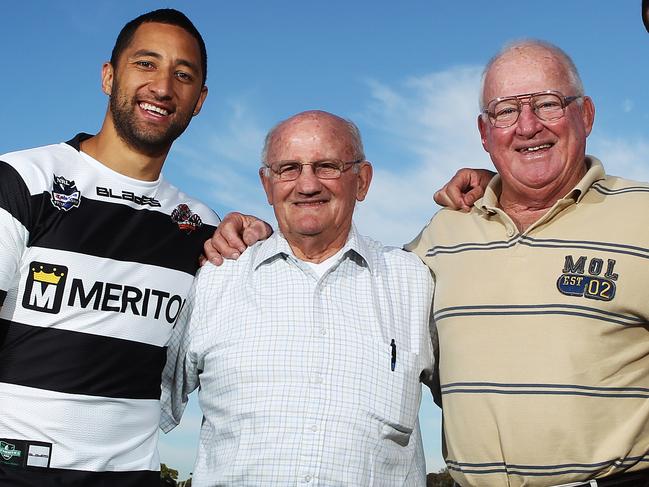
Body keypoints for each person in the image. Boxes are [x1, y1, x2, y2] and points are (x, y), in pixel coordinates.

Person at [407, 40, 649, 486]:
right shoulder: (442, 234)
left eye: (548, 104)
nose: (528, 126)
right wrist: (246, 237)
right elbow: (356, 298)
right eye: (505, 111)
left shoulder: (643, 215)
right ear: (485, 133)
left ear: (587, 115)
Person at [0, 9, 220, 486]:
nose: (162, 87)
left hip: (131, 476)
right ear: (108, 75)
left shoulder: (202, 227)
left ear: (198, 100)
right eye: (146, 64)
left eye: (182, 75)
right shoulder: (22, 180)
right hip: (15, 470)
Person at [161, 110, 435, 486]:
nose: (307, 185)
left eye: (327, 166)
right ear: (267, 184)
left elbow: (480, 402)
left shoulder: (415, 283)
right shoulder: (216, 279)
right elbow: (143, 408)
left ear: (362, 181)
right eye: (289, 168)